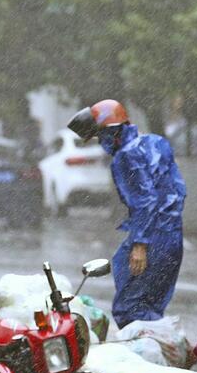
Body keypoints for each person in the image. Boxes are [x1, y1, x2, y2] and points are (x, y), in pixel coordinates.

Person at [67, 100, 186, 328]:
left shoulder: (126, 156)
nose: (101, 143)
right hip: (172, 236)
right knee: (150, 305)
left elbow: (145, 201)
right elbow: (178, 190)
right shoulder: (156, 142)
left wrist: (141, 244)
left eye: (100, 136)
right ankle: (158, 341)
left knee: (130, 309)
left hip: (153, 237)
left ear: (112, 132)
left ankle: (147, 346)